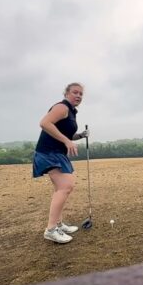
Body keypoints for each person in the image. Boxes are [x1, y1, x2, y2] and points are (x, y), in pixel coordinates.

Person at [33, 82, 89, 244]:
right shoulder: (62, 107)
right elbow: (44, 123)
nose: (78, 96)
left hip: (56, 153)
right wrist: (66, 141)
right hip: (48, 152)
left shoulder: (71, 112)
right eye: (75, 92)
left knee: (61, 188)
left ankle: (58, 224)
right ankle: (51, 230)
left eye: (81, 94)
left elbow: (64, 133)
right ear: (66, 94)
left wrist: (79, 136)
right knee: (66, 186)